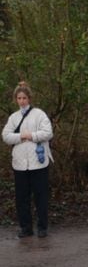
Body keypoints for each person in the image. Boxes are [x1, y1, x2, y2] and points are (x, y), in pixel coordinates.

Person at [3, 81, 53, 238]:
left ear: (29, 98)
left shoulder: (39, 114)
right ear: (16, 99)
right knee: (22, 198)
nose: (22, 101)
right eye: (19, 98)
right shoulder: (13, 117)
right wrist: (20, 136)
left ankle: (42, 227)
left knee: (40, 197)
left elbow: (48, 132)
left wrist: (31, 135)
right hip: (20, 164)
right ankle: (26, 228)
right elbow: (6, 136)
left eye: (24, 98)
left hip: (38, 163)